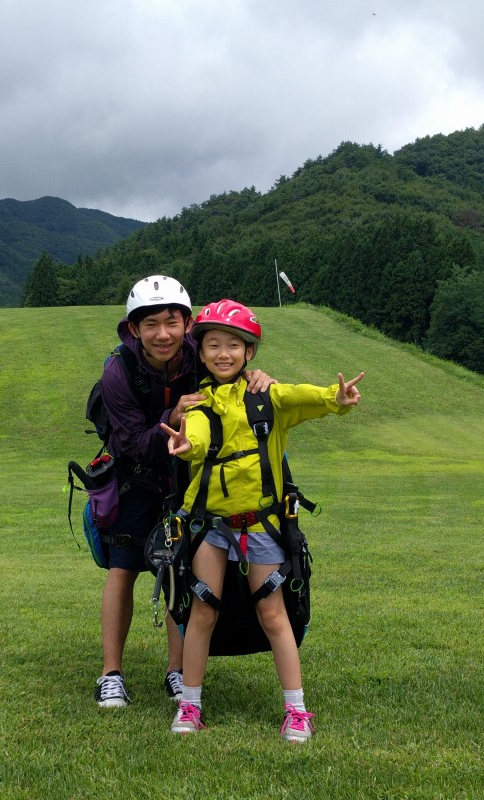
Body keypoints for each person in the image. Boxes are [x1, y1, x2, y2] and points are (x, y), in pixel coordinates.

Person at [161, 299, 364, 742]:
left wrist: (339, 398)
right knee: (203, 610)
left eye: (234, 345)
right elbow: (194, 439)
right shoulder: (198, 405)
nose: (223, 354)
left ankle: (297, 711)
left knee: (273, 613)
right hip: (213, 528)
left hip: (260, 525)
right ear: (202, 351)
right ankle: (190, 704)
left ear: (249, 352)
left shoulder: (267, 395)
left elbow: (305, 397)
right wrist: (183, 445)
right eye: (213, 345)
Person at [94, 278, 275, 709]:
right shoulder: (118, 371)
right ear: (133, 329)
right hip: (134, 478)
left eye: (171, 322)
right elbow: (129, 444)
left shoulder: (200, 355)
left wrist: (255, 376)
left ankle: (177, 672)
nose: (163, 333)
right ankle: (111, 673)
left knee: (182, 571)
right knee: (123, 569)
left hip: (189, 481)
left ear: (187, 322)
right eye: (150, 323)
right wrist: (170, 416)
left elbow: (230, 375)